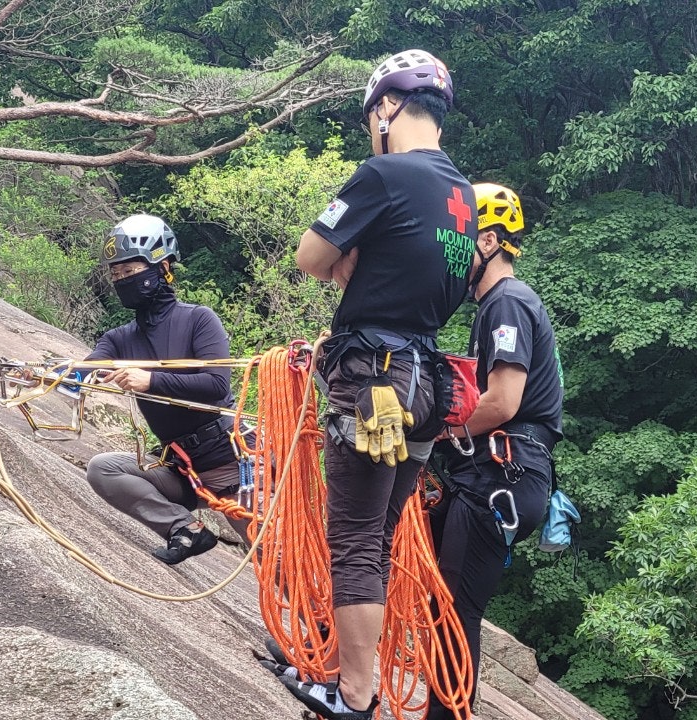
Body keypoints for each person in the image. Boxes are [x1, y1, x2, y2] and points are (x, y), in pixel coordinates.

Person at [277, 49, 477, 720]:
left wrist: (347, 277)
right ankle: (344, 669)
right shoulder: (465, 199)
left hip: (373, 379)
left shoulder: (384, 173)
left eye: (373, 115)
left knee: (356, 537)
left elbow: (310, 254)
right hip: (427, 384)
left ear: (388, 107)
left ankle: (353, 695)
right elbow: (427, 276)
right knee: (381, 536)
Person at [424, 183, 562, 720]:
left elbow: (503, 402)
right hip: (492, 474)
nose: (454, 255)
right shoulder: (495, 308)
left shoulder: (506, 302)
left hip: (502, 476)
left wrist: (441, 428)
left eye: (461, 242)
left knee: (456, 609)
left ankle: (448, 714)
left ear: (488, 239)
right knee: (412, 569)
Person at [83, 214, 252, 565]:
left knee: (277, 558)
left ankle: (321, 618)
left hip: (228, 461)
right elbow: (86, 367)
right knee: (103, 468)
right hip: (180, 468)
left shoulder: (199, 320)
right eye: (116, 275)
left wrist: (150, 380)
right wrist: (43, 374)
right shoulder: (119, 338)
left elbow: (216, 384)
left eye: (130, 272)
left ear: (162, 267)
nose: (122, 281)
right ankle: (186, 530)